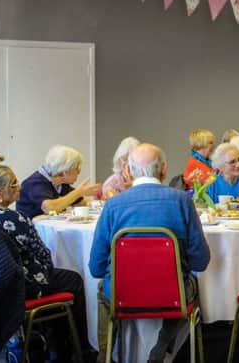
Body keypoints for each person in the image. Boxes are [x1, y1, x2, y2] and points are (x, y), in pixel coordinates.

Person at [89, 143, 210, 363]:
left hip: (121, 294)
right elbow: (201, 261)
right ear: (164, 169)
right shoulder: (183, 201)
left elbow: (95, 268)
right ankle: (161, 349)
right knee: (190, 284)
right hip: (173, 294)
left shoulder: (112, 205)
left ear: (128, 171)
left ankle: (104, 355)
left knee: (102, 288)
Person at [0, 164, 90, 359]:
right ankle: (77, 349)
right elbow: (43, 255)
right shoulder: (17, 219)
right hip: (20, 286)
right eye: (14, 184)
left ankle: (52, 345)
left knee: (58, 278)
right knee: (72, 279)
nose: (20, 187)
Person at [16, 145, 101, 219]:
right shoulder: (35, 183)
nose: (79, 172)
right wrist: (78, 192)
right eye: (76, 168)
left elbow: (80, 203)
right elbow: (50, 208)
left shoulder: (61, 184)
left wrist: (102, 203)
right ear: (65, 171)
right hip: (32, 233)